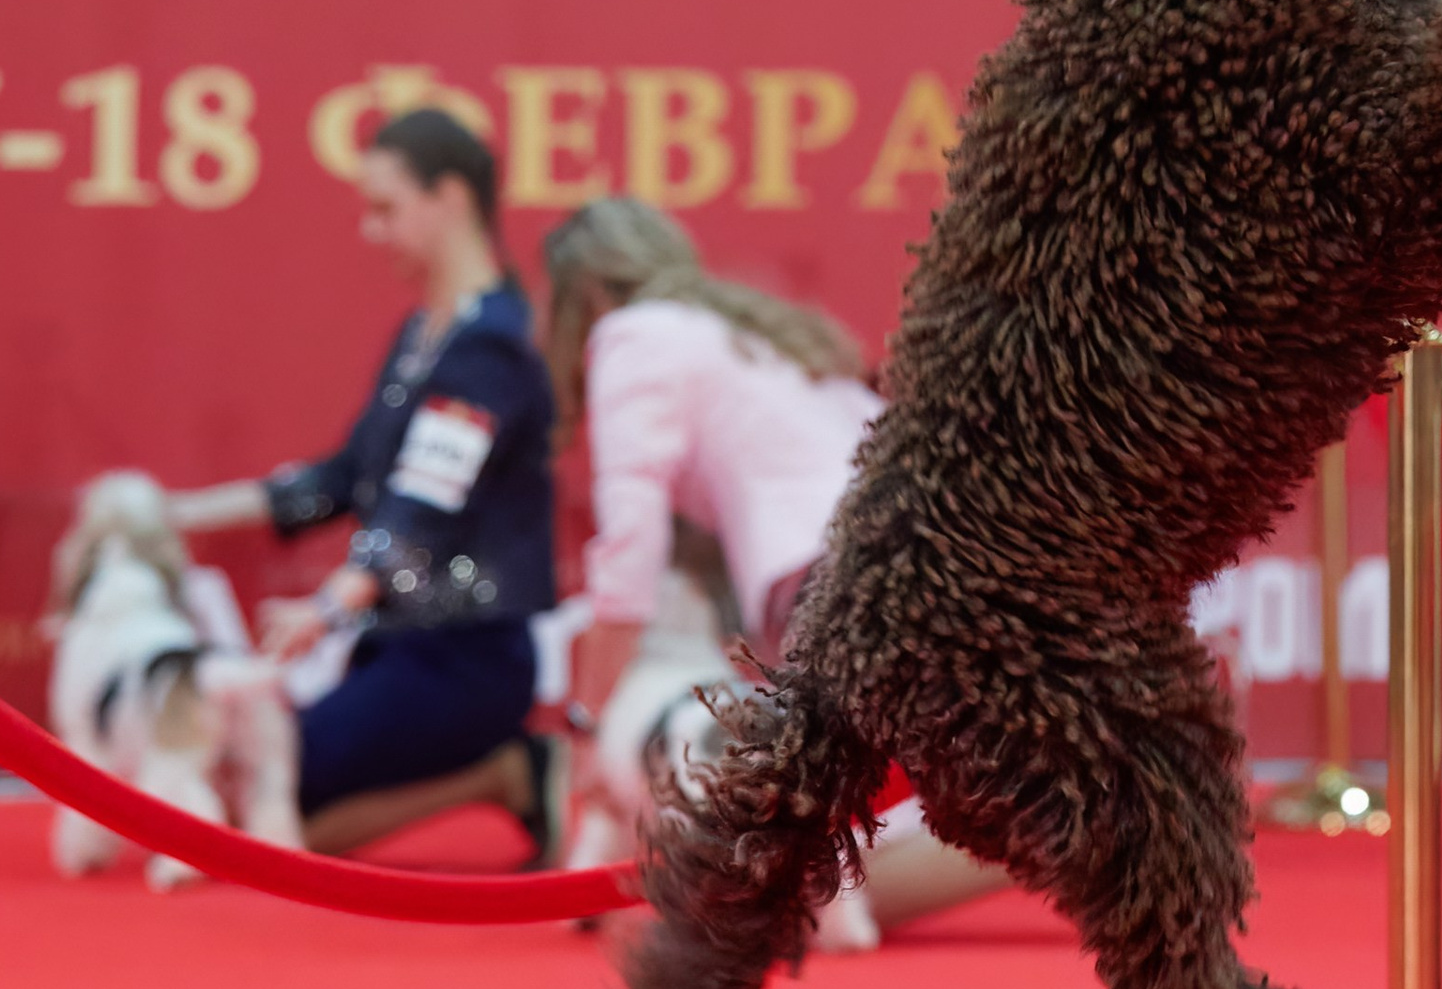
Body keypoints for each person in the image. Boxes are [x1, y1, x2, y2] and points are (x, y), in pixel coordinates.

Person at [542, 197, 1005, 941]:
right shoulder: (759, 335)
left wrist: (587, 724)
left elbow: (628, 556)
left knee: (786, 885)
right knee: (984, 803)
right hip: (955, 557)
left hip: (848, 587)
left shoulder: (633, 336)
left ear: (584, 299)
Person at [168, 109, 560, 858]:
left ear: (450, 198)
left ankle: (512, 772)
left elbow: (421, 504)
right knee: (255, 794)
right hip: (397, 646)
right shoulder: (423, 333)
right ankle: (502, 772)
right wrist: (179, 513)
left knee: (269, 807)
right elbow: (346, 478)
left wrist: (329, 603)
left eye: (385, 209)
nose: (370, 232)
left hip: (467, 656)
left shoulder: (491, 345)